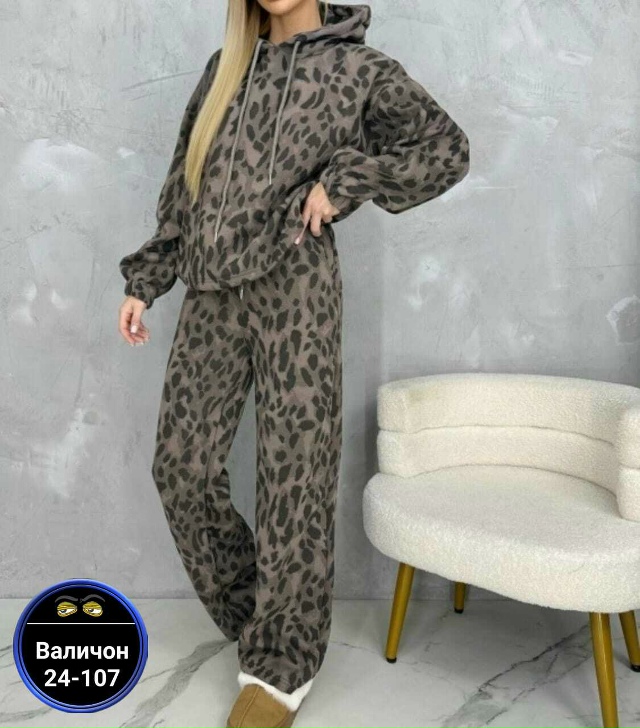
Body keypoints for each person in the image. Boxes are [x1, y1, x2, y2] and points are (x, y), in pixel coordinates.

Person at [117, 1, 470, 726]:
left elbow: (446, 148)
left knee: (294, 478)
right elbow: (185, 186)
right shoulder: (225, 70)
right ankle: (267, 619)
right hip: (212, 292)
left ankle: (281, 666)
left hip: (297, 288)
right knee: (181, 468)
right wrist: (146, 280)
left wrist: (348, 180)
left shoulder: (356, 68)